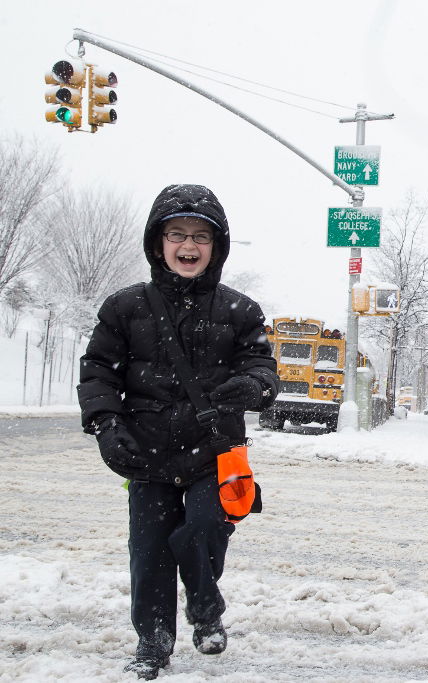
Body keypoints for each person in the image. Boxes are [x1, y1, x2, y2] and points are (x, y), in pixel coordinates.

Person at [78, 184, 279, 680]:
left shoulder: (241, 310)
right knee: (148, 555)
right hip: (144, 453)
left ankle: (205, 610)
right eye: (177, 235)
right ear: (157, 242)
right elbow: (98, 371)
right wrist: (106, 426)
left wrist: (252, 388)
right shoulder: (124, 308)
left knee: (204, 529)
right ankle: (153, 643)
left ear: (217, 246)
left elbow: (264, 369)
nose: (188, 246)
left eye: (200, 237)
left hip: (215, 451)